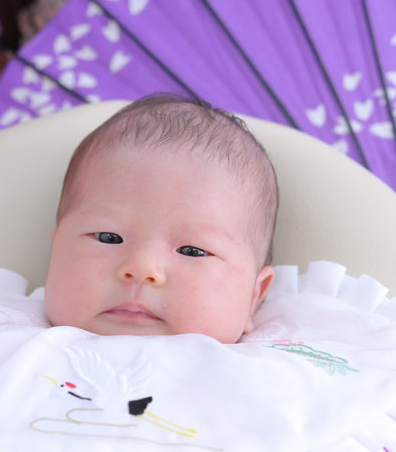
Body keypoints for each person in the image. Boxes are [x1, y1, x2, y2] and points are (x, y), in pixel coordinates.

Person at [44, 94, 278, 344]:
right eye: (108, 237)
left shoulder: (275, 362)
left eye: (192, 251)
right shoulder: (16, 338)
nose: (142, 268)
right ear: (55, 249)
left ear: (254, 296)